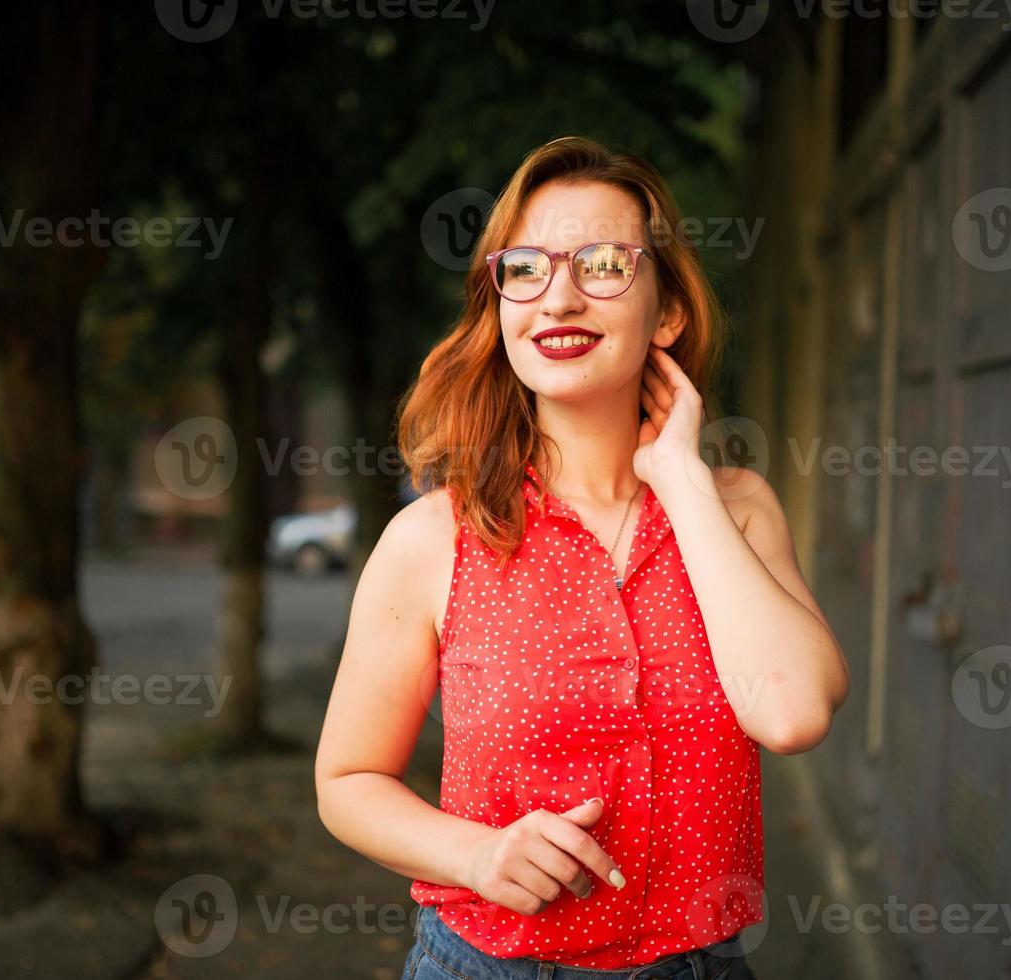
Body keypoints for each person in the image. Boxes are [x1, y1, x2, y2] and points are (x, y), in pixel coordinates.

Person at [316, 135, 851, 979]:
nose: (557, 297)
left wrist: (678, 477)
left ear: (666, 311)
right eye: (524, 268)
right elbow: (347, 779)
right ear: (501, 304)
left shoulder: (735, 511)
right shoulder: (434, 537)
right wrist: (473, 856)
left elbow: (790, 716)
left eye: (602, 263)